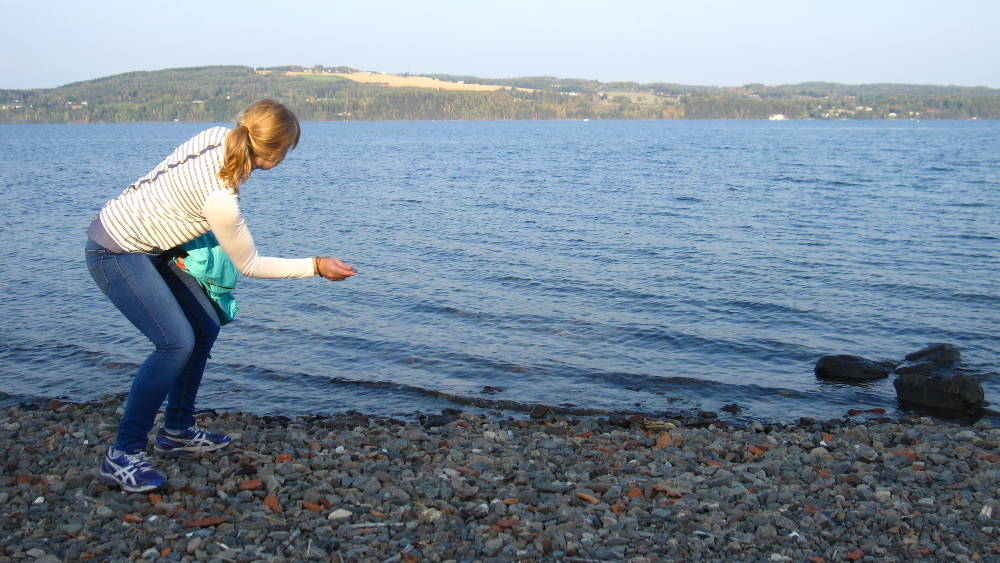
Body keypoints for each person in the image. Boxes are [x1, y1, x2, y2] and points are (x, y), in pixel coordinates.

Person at [84, 99, 355, 493]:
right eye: (286, 150)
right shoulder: (221, 200)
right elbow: (251, 263)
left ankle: (176, 430)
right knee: (174, 343)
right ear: (276, 153)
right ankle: (123, 455)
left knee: (204, 326)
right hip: (114, 252)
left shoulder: (215, 136)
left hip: (150, 248)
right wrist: (315, 265)